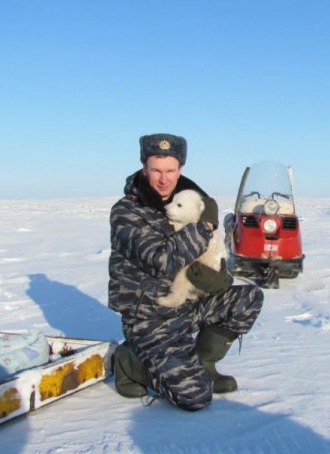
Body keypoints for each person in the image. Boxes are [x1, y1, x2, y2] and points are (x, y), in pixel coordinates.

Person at [108, 133, 264, 411]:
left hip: (188, 307)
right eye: (156, 170)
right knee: (195, 398)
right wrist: (203, 228)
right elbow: (162, 260)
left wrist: (218, 279)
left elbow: (212, 257)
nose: (163, 179)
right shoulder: (127, 212)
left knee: (249, 298)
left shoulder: (192, 204)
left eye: (170, 170)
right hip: (150, 318)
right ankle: (129, 361)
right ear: (144, 168)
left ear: (180, 170)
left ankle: (204, 363)